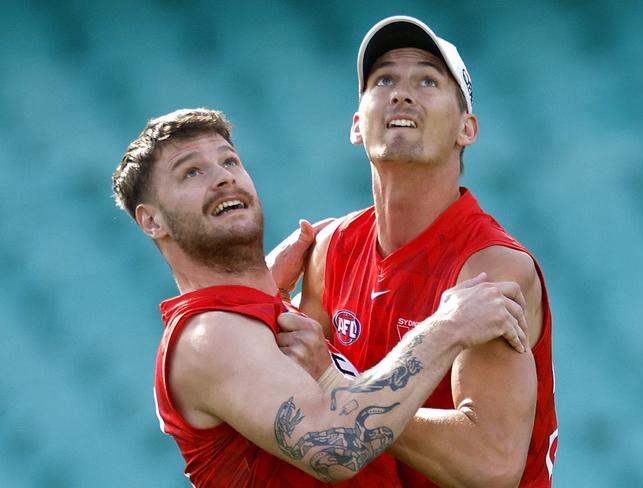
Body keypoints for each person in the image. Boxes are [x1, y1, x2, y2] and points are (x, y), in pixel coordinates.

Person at [111, 107, 530, 487]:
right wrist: (448, 327)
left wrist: (270, 293)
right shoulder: (210, 335)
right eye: (191, 172)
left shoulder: (262, 317)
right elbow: (339, 448)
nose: (224, 177)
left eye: (230, 161)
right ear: (151, 221)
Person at [279, 15, 558, 487]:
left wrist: (342, 392)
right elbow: (278, 397)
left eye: (428, 80)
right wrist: (263, 288)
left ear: (466, 129)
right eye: (383, 78)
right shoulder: (330, 248)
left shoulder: (490, 269)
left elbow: (489, 466)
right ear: (355, 125)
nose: (401, 92)